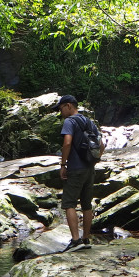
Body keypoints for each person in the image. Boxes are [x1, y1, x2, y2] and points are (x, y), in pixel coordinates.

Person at [56, 94, 104, 252]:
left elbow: (67, 142)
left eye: (61, 109)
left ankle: (76, 240)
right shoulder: (89, 121)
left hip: (75, 169)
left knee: (69, 203)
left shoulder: (69, 122)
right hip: (89, 168)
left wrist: (63, 164)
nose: (61, 112)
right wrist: (94, 160)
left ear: (68, 106)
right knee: (86, 204)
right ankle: (86, 238)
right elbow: (101, 144)